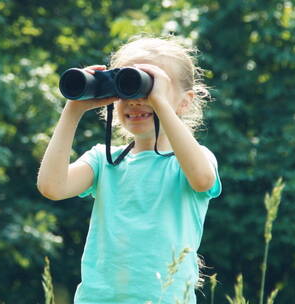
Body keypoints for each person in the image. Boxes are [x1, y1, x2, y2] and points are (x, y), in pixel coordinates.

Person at [37, 36, 222, 304]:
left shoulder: (192, 161)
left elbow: (203, 180)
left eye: (146, 87)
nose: (136, 100)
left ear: (184, 102)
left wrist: (159, 101)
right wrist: (72, 111)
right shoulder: (104, 160)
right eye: (128, 87)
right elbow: (52, 187)